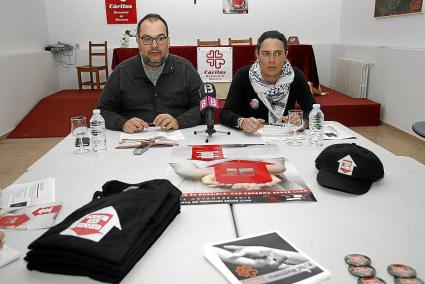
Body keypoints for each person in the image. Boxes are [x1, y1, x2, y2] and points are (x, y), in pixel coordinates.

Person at [98, 14, 203, 133]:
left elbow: (204, 107)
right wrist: (122, 123)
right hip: (133, 143)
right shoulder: (121, 72)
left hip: (178, 140)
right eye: (147, 39)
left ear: (168, 41)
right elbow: (102, 111)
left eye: (160, 38)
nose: (154, 45)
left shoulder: (186, 70)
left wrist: (179, 121)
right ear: (138, 41)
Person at [220, 30, 316, 134]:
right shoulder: (243, 75)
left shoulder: (295, 75)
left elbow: (313, 111)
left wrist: (303, 121)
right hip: (251, 138)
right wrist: (242, 122)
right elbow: (225, 113)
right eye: (266, 53)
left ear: (286, 55)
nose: (272, 60)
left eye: (278, 53)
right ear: (257, 54)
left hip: (285, 137)